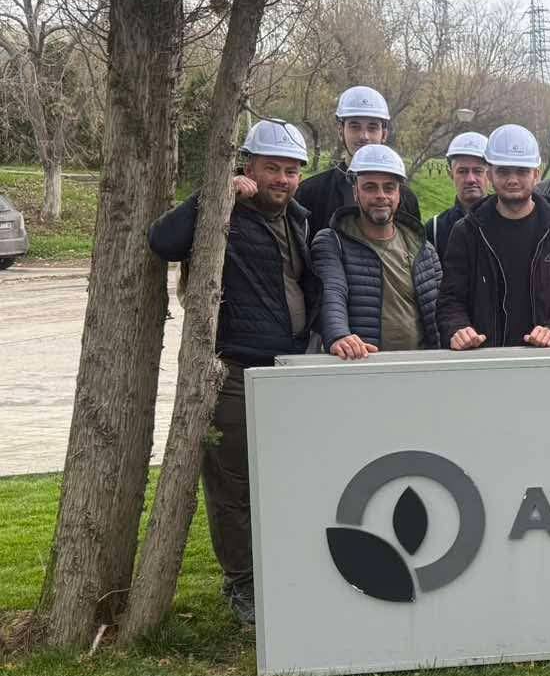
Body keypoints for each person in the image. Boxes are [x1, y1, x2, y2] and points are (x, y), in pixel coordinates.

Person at [148, 120, 319, 627]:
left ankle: (279, 572)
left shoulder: (298, 219)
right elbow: (163, 241)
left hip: (287, 369)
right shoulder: (224, 213)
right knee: (232, 484)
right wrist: (215, 194)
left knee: (284, 479)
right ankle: (242, 584)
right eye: (272, 168)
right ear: (249, 166)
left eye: (291, 171)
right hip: (235, 370)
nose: (282, 179)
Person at [438, 124, 550, 350]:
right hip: (485, 356)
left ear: (536, 174)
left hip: (548, 357)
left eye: (522, 171)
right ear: (490, 174)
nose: (513, 179)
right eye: (503, 171)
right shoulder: (467, 231)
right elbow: (450, 298)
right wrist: (458, 328)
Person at [312, 144, 441, 358]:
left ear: (399, 194)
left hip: (420, 365)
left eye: (389, 188)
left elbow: (441, 307)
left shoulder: (423, 249)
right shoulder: (332, 242)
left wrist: (458, 333)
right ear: (355, 192)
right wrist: (338, 335)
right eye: (370, 187)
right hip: (361, 364)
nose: (381, 195)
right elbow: (332, 291)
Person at [297, 85, 421, 236]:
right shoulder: (310, 193)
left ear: (384, 134)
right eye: (355, 127)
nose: (364, 136)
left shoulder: (406, 199)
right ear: (340, 131)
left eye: (372, 128)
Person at [425, 131, 489, 258]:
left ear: (490, 174)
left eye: (478, 171)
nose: (470, 179)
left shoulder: (507, 222)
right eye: (462, 171)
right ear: (451, 175)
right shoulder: (435, 229)